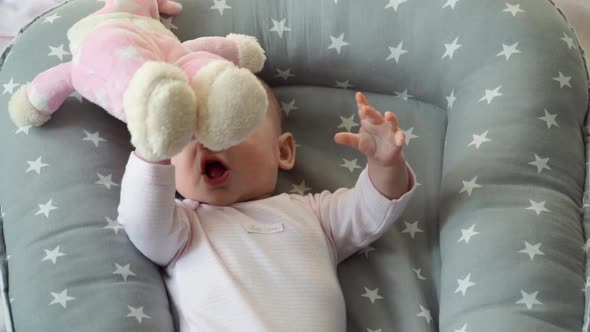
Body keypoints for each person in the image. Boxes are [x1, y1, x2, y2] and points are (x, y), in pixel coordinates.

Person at [117, 80, 417, 331]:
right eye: (191, 132)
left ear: (283, 151)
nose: (208, 140)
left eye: (233, 125)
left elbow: (370, 209)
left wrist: (386, 165)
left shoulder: (313, 214)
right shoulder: (183, 226)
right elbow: (141, 220)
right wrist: (152, 149)